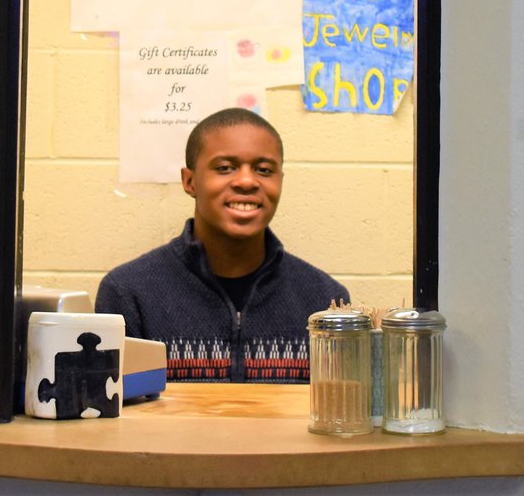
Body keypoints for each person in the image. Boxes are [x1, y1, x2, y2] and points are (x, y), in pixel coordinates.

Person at [95, 107, 349, 383]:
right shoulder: (129, 294)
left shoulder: (326, 302)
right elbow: (113, 417)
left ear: (280, 181)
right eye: (225, 168)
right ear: (190, 181)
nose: (246, 181)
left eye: (264, 170)